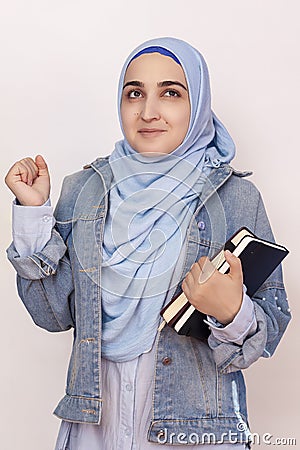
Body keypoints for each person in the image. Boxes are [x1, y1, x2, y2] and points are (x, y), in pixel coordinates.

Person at [5, 37, 290, 450]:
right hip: (94, 424)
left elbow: (270, 326)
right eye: (134, 93)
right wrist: (33, 215)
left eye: (171, 93)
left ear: (198, 106)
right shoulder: (82, 191)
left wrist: (232, 312)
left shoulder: (236, 199)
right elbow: (51, 315)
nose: (148, 111)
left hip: (195, 432)